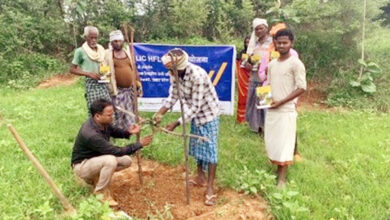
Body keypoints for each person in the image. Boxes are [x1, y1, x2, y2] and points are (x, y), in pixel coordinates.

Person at [153, 48, 220, 206]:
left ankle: (210, 187)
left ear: (179, 68)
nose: (169, 72)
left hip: (208, 114)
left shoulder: (196, 75)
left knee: (210, 150)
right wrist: (160, 113)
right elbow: (173, 96)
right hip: (193, 114)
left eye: (171, 70)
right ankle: (200, 176)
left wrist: (176, 123)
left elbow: (195, 107)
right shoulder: (174, 75)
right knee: (197, 146)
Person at [71, 99, 153, 206]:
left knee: (126, 161)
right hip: (82, 166)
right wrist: (139, 144)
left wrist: (128, 132)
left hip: (95, 160)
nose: (112, 117)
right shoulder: (91, 134)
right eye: (109, 115)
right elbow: (115, 151)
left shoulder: (102, 123)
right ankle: (101, 194)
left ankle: (96, 178)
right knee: (110, 160)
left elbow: (114, 131)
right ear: (98, 116)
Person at [265, 29, 306, 188]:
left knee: (284, 142)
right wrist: (265, 99)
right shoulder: (272, 64)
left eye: (285, 42)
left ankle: (282, 178)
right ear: (274, 43)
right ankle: (277, 168)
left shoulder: (296, 63)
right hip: (272, 109)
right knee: (273, 141)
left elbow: (302, 87)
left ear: (291, 43)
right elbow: (268, 85)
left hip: (286, 109)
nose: (281, 45)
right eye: (278, 42)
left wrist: (281, 102)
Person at [105, 30, 142, 130]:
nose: (118, 43)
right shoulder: (107, 55)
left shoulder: (128, 53)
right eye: (115, 41)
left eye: (120, 41)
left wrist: (138, 84)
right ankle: (117, 132)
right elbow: (104, 72)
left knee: (131, 113)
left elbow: (133, 69)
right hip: (117, 91)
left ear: (123, 41)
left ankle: (129, 131)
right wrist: (107, 87)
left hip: (129, 90)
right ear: (111, 42)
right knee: (118, 113)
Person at [70, 26, 111, 115]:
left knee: (107, 108)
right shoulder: (80, 51)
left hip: (103, 81)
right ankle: (93, 128)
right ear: (86, 38)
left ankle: (106, 128)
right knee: (94, 109)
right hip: (91, 83)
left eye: (95, 38)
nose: (94, 40)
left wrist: (105, 73)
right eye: (91, 38)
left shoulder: (101, 50)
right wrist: (88, 74)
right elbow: (72, 69)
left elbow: (105, 63)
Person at [243, 18, 273, 134]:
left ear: (266, 28)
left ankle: (267, 128)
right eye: (256, 29)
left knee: (265, 102)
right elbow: (247, 59)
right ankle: (256, 127)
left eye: (261, 28)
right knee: (254, 101)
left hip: (266, 77)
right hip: (254, 76)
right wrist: (247, 65)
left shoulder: (272, 42)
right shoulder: (253, 43)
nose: (259, 31)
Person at [236, 36, 251, 123]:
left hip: (255, 78)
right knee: (243, 97)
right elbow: (238, 66)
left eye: (250, 42)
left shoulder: (257, 52)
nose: (248, 44)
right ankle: (242, 119)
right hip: (243, 79)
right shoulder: (241, 53)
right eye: (246, 42)